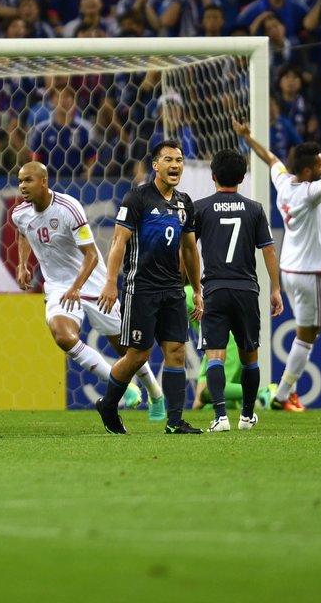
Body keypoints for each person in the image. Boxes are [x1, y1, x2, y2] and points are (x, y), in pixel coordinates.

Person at [233, 113, 321, 412]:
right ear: (308, 171)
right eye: (319, 164)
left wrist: (247, 136)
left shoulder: (284, 183)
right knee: (308, 335)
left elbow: (270, 159)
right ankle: (282, 395)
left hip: (291, 269)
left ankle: (286, 391)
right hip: (311, 272)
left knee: (308, 331)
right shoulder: (309, 193)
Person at [11, 160, 166, 420]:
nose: (22, 186)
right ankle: (123, 386)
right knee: (63, 336)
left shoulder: (68, 208)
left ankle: (156, 394)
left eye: (28, 180)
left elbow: (92, 255)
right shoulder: (20, 213)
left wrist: (77, 287)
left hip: (92, 283)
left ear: (44, 181)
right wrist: (22, 264)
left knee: (128, 351)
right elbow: (23, 232)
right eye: (20, 181)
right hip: (59, 287)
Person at [94, 139, 202, 435]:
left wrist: (197, 290)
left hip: (172, 290)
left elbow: (190, 250)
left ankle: (175, 421)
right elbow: (118, 242)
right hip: (140, 288)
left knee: (177, 352)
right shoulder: (137, 198)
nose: (175, 165)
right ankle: (108, 404)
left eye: (179, 160)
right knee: (138, 355)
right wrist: (110, 283)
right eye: (168, 160)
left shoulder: (184, 203)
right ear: (156, 165)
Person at [196, 149, 282, 433]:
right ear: (243, 178)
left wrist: (194, 287)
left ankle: (221, 417)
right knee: (249, 355)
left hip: (214, 289)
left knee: (215, 356)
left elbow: (186, 250)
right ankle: (246, 416)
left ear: (213, 176)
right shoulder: (255, 209)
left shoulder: (201, 208)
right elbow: (268, 250)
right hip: (246, 289)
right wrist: (276, 290)